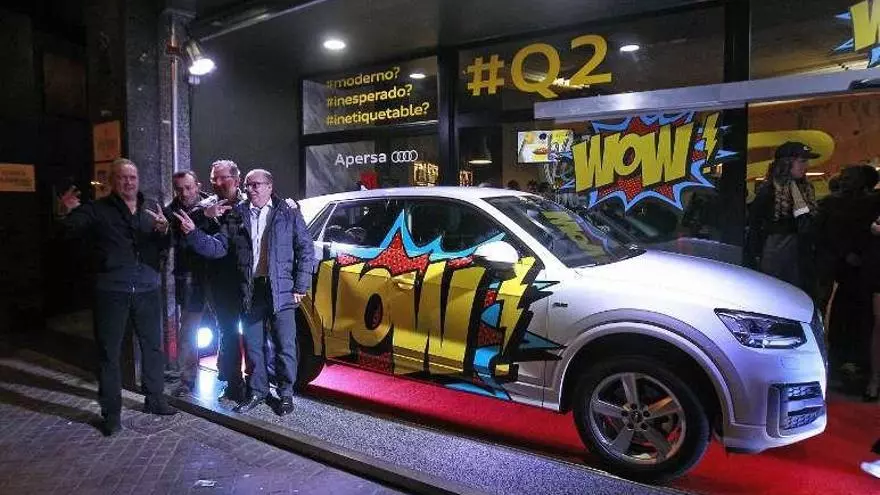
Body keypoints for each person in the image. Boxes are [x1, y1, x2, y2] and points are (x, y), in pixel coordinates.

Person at [176, 169, 315, 415]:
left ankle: (285, 394)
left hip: (281, 289)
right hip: (250, 290)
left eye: (256, 185)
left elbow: (305, 249)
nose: (250, 189)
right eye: (248, 185)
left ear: (269, 186)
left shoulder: (287, 212)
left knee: (285, 345)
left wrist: (301, 285)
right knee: (253, 346)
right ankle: (258, 391)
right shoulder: (238, 214)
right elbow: (219, 247)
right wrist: (194, 234)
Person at [57, 158, 177, 436]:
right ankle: (111, 414)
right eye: (122, 177)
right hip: (112, 290)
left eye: (132, 177)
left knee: (153, 347)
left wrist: (164, 232)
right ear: (112, 181)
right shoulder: (97, 210)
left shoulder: (150, 210)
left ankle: (155, 399)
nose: (128, 182)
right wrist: (65, 212)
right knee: (109, 353)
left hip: (147, 288)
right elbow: (68, 232)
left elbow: (162, 246)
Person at [201, 159, 248, 403]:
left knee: (253, 334)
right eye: (214, 179)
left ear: (236, 180)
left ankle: (256, 383)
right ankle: (233, 383)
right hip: (220, 283)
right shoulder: (205, 208)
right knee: (228, 332)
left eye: (223, 178)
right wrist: (207, 218)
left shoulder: (251, 204)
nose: (218, 183)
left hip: (249, 280)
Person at [745, 142, 819, 294]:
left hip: (799, 256)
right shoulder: (769, 191)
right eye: (802, 161)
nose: (806, 166)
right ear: (786, 163)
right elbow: (755, 226)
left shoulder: (805, 189)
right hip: (778, 256)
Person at [164, 170, 210, 397]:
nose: (184, 193)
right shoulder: (170, 212)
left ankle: (232, 379)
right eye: (179, 189)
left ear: (198, 186)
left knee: (230, 329)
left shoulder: (212, 205)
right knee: (189, 330)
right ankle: (187, 378)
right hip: (191, 279)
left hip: (218, 277)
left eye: (188, 188)